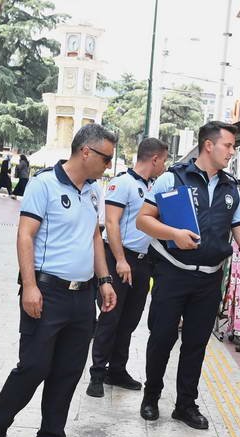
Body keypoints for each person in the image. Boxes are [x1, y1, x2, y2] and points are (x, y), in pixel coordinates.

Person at [0, 123, 118, 437]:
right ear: (85, 151)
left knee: (68, 371)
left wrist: (104, 280)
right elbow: (26, 235)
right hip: (47, 292)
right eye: (106, 158)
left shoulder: (93, 191)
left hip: (82, 297)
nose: (108, 165)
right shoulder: (44, 184)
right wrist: (30, 285)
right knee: (34, 366)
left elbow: (93, 238)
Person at [136, 121, 240, 430]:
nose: (232, 152)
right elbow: (143, 220)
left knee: (196, 344)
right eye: (229, 146)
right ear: (209, 145)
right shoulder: (172, 178)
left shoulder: (231, 188)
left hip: (209, 280)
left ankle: (185, 405)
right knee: (162, 338)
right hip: (172, 275)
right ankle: (151, 396)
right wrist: (173, 234)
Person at [86, 138, 169, 398]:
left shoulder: (152, 187)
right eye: (164, 160)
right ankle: (97, 373)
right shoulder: (122, 183)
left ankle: (117, 370)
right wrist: (121, 260)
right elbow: (111, 223)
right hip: (119, 259)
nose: (165, 166)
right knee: (110, 318)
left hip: (143, 263)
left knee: (130, 320)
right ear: (154, 159)